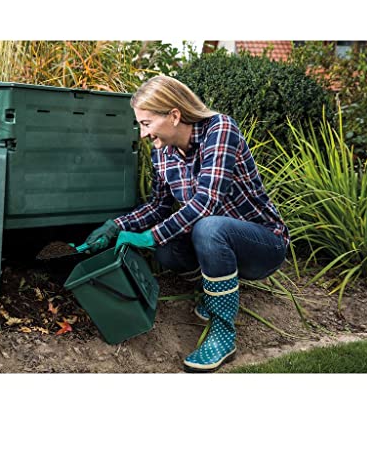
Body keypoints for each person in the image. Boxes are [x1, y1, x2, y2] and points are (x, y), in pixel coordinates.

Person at [84, 75, 289, 373]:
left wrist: (149, 236)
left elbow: (207, 202)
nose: (143, 134)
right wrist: (116, 225)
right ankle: (214, 292)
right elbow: (158, 206)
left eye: (146, 123)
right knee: (167, 248)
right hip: (217, 243)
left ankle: (222, 333)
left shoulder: (220, 129)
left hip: (264, 244)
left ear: (174, 115)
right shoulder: (162, 153)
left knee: (209, 227)